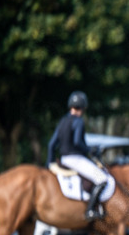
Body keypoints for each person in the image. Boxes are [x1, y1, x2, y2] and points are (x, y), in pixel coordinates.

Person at [46, 91, 114, 220]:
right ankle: (90, 210)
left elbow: (51, 144)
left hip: (63, 159)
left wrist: (49, 164)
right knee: (102, 179)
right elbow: (77, 142)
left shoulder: (63, 121)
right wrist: (90, 150)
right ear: (83, 107)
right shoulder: (79, 121)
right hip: (75, 159)